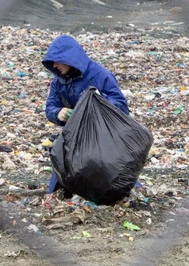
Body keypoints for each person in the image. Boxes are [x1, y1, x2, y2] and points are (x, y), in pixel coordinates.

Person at [42, 34, 129, 195]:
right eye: (52, 61)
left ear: (69, 58)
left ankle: (114, 193)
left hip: (102, 134)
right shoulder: (58, 81)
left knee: (108, 169)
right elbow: (50, 107)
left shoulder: (99, 75)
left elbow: (121, 106)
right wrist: (58, 113)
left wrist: (93, 107)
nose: (54, 65)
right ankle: (62, 193)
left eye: (57, 60)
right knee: (60, 157)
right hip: (75, 135)